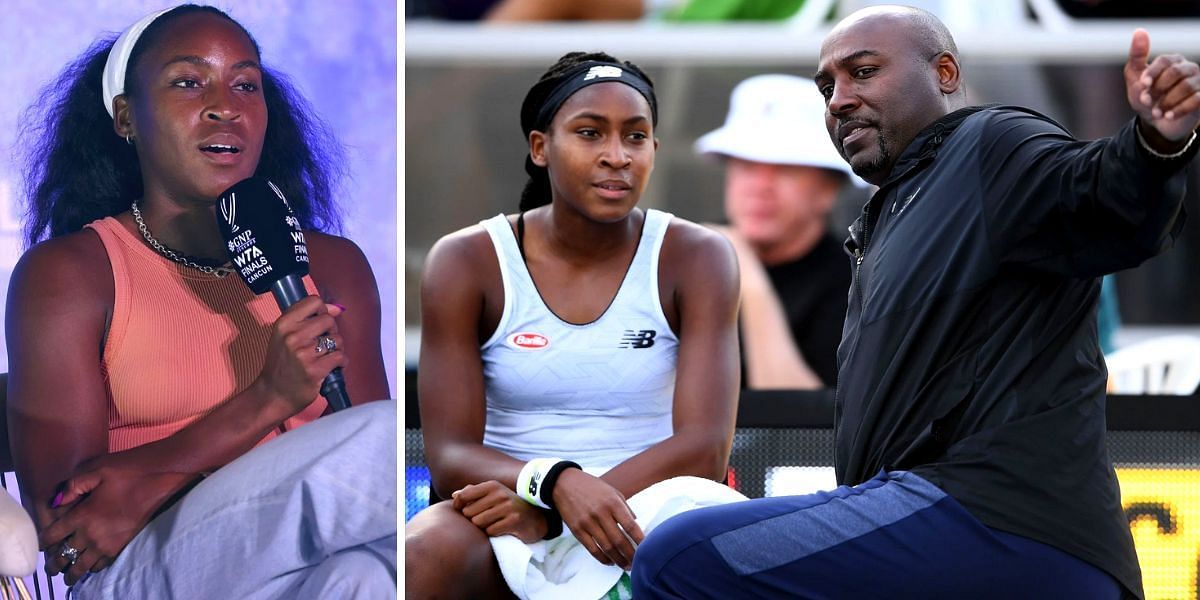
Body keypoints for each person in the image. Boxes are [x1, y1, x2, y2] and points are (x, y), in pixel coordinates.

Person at [632, 5, 1198, 599]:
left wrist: (1155, 142)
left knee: (675, 553)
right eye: (827, 87)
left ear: (945, 73)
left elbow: (1108, 195)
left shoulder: (990, 144)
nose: (839, 99)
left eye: (864, 72)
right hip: (950, 533)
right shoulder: (888, 216)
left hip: (1000, 524)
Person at [7, 5, 394, 598]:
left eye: (246, 85)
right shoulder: (71, 275)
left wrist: (150, 479)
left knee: (364, 576)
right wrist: (270, 398)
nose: (225, 106)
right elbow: (67, 529)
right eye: (188, 82)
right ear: (126, 118)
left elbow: (357, 473)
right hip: (136, 571)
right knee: (391, 441)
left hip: (302, 567)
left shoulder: (332, 265)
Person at [405, 51, 742, 599]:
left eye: (635, 138)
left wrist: (557, 514)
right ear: (540, 148)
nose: (616, 156)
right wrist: (554, 486)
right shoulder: (466, 260)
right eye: (590, 133)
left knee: (713, 539)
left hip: (655, 509)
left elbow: (705, 449)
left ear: (654, 150)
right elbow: (448, 460)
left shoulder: (698, 254)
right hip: (511, 508)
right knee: (420, 552)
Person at [696, 74, 864, 389]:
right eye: (746, 167)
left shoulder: (857, 287)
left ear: (827, 191)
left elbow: (800, 426)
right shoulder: (686, 263)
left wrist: (750, 282)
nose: (760, 188)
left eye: (785, 170)